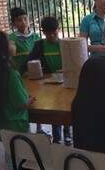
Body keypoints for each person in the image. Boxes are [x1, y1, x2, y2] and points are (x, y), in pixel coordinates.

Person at [25, 16, 72, 145]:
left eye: (54, 32)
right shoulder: (39, 45)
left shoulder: (64, 44)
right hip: (49, 85)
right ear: (43, 32)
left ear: (59, 29)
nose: (51, 36)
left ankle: (68, 134)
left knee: (66, 109)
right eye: (48, 33)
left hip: (65, 83)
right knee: (55, 111)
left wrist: (66, 70)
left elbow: (72, 63)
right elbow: (29, 62)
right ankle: (57, 138)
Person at [8, 7, 46, 134]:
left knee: (38, 99)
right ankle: (27, 126)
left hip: (36, 75)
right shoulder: (12, 38)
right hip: (21, 76)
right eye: (19, 20)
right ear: (13, 23)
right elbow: (11, 52)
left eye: (25, 19)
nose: (23, 22)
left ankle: (40, 128)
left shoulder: (35, 36)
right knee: (24, 100)